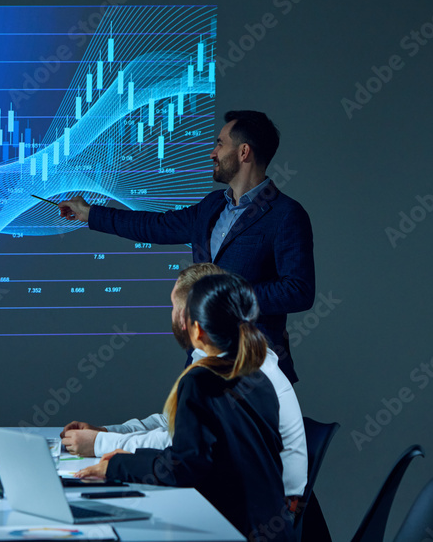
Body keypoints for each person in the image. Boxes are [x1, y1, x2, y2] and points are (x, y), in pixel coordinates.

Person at [58, 110, 315, 383]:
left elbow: (298, 291)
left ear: (243, 152)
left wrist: (227, 298)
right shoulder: (212, 206)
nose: (212, 153)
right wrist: (90, 214)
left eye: (219, 144)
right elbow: (155, 225)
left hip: (254, 368)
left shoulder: (286, 214)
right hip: (204, 360)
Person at [61, 263, 307, 499]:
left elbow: (181, 451)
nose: (172, 316)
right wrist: (107, 432)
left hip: (248, 509)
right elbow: (176, 426)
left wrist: (102, 448)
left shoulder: (216, 375)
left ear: (192, 319)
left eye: (174, 307)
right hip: (260, 503)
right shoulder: (241, 356)